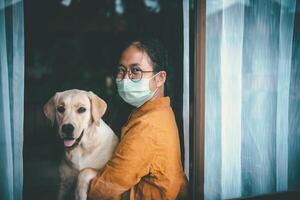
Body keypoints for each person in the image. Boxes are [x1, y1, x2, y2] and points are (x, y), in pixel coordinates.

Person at [88, 38, 188, 200]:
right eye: (121, 70)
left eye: (136, 70)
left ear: (160, 78)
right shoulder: (159, 111)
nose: (125, 79)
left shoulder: (148, 126)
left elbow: (103, 191)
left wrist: (84, 179)